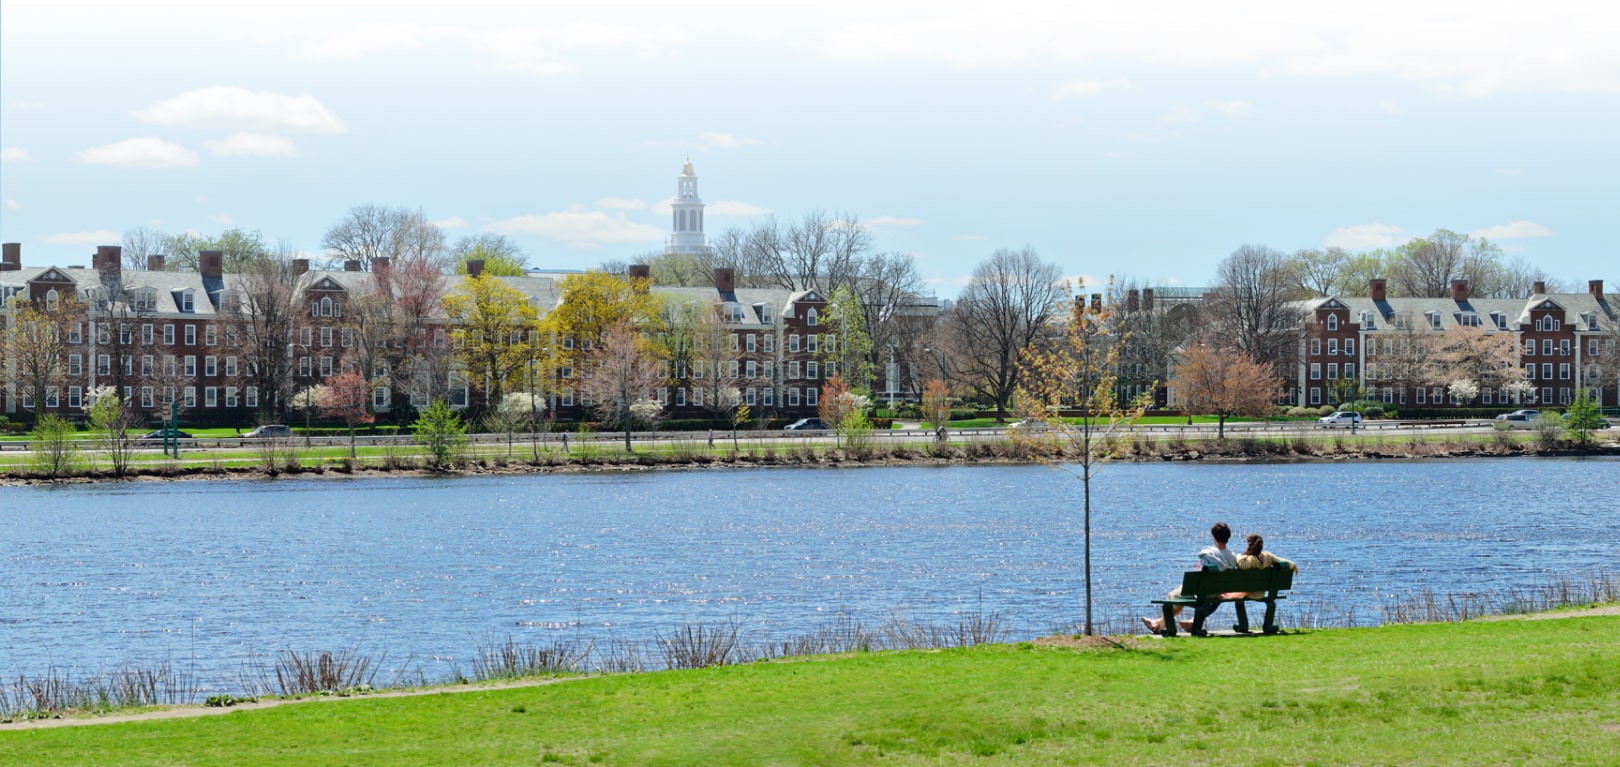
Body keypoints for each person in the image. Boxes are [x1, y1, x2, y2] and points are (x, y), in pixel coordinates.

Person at [1142, 522, 1239, 634]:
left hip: (1201, 592)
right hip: (1217, 593)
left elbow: (1202, 575)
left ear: (1214, 537)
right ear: (1228, 538)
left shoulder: (1211, 555)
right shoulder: (1232, 557)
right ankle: (1158, 623)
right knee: (1184, 596)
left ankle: (1160, 626)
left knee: (1172, 596)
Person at [1236, 533, 1297, 600]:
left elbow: (1242, 565)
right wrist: (1293, 565)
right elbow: (1281, 561)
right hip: (1261, 594)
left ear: (1249, 545)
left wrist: (1240, 556)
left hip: (1250, 594)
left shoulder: (1251, 559)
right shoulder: (1267, 556)